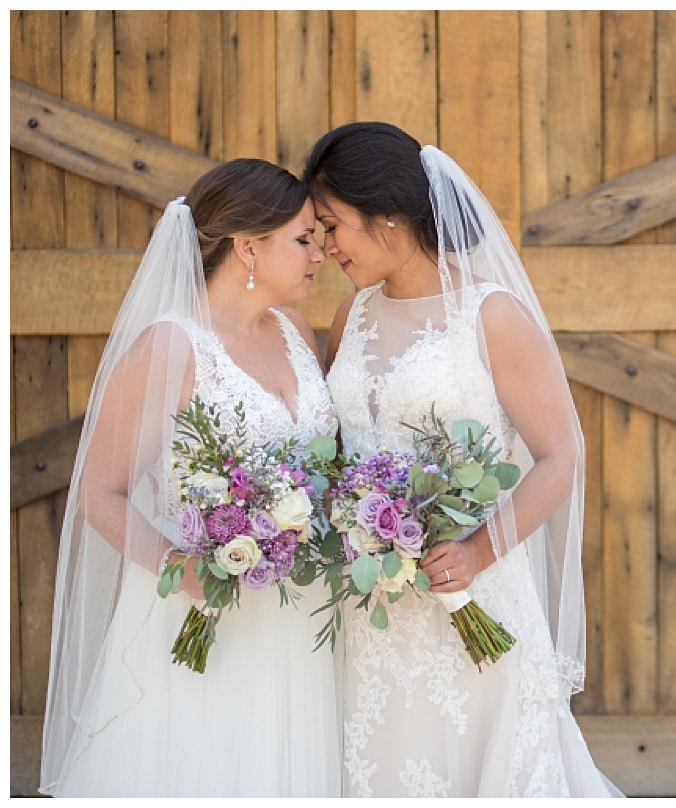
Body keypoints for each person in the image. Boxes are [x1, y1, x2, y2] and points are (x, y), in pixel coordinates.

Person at [305, 122, 621, 798]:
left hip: (474, 594)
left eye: (334, 226)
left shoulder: (490, 314)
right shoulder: (350, 315)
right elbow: (338, 452)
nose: (327, 247)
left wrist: (478, 549)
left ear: (387, 213)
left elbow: (562, 454)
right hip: (372, 607)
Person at [39, 159, 343, 796]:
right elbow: (101, 491)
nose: (320, 254)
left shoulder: (295, 331)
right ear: (248, 246)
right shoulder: (170, 347)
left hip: (298, 608)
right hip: (204, 605)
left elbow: (321, 467)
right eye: (303, 238)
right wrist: (183, 565)